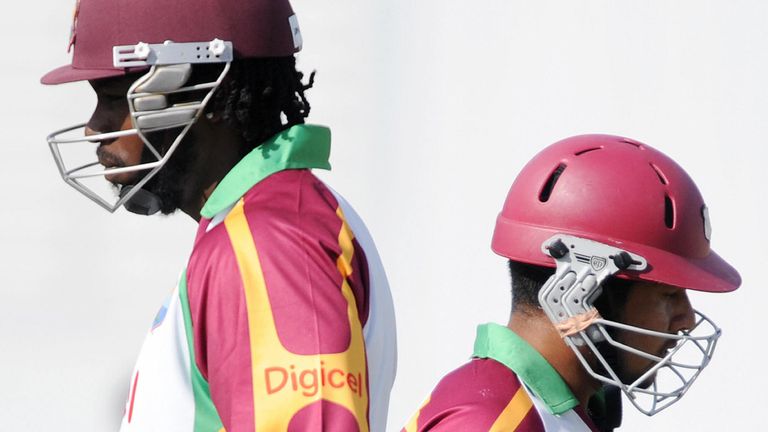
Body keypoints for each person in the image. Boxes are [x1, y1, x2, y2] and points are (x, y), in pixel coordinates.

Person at [42, 0, 397, 430]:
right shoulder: (264, 225)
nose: (93, 129)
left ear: (205, 92)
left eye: (117, 98)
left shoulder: (271, 241)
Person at [403, 135, 740, 431]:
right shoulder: (492, 423)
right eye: (668, 293)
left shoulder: (560, 411)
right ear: (578, 292)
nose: (687, 320)